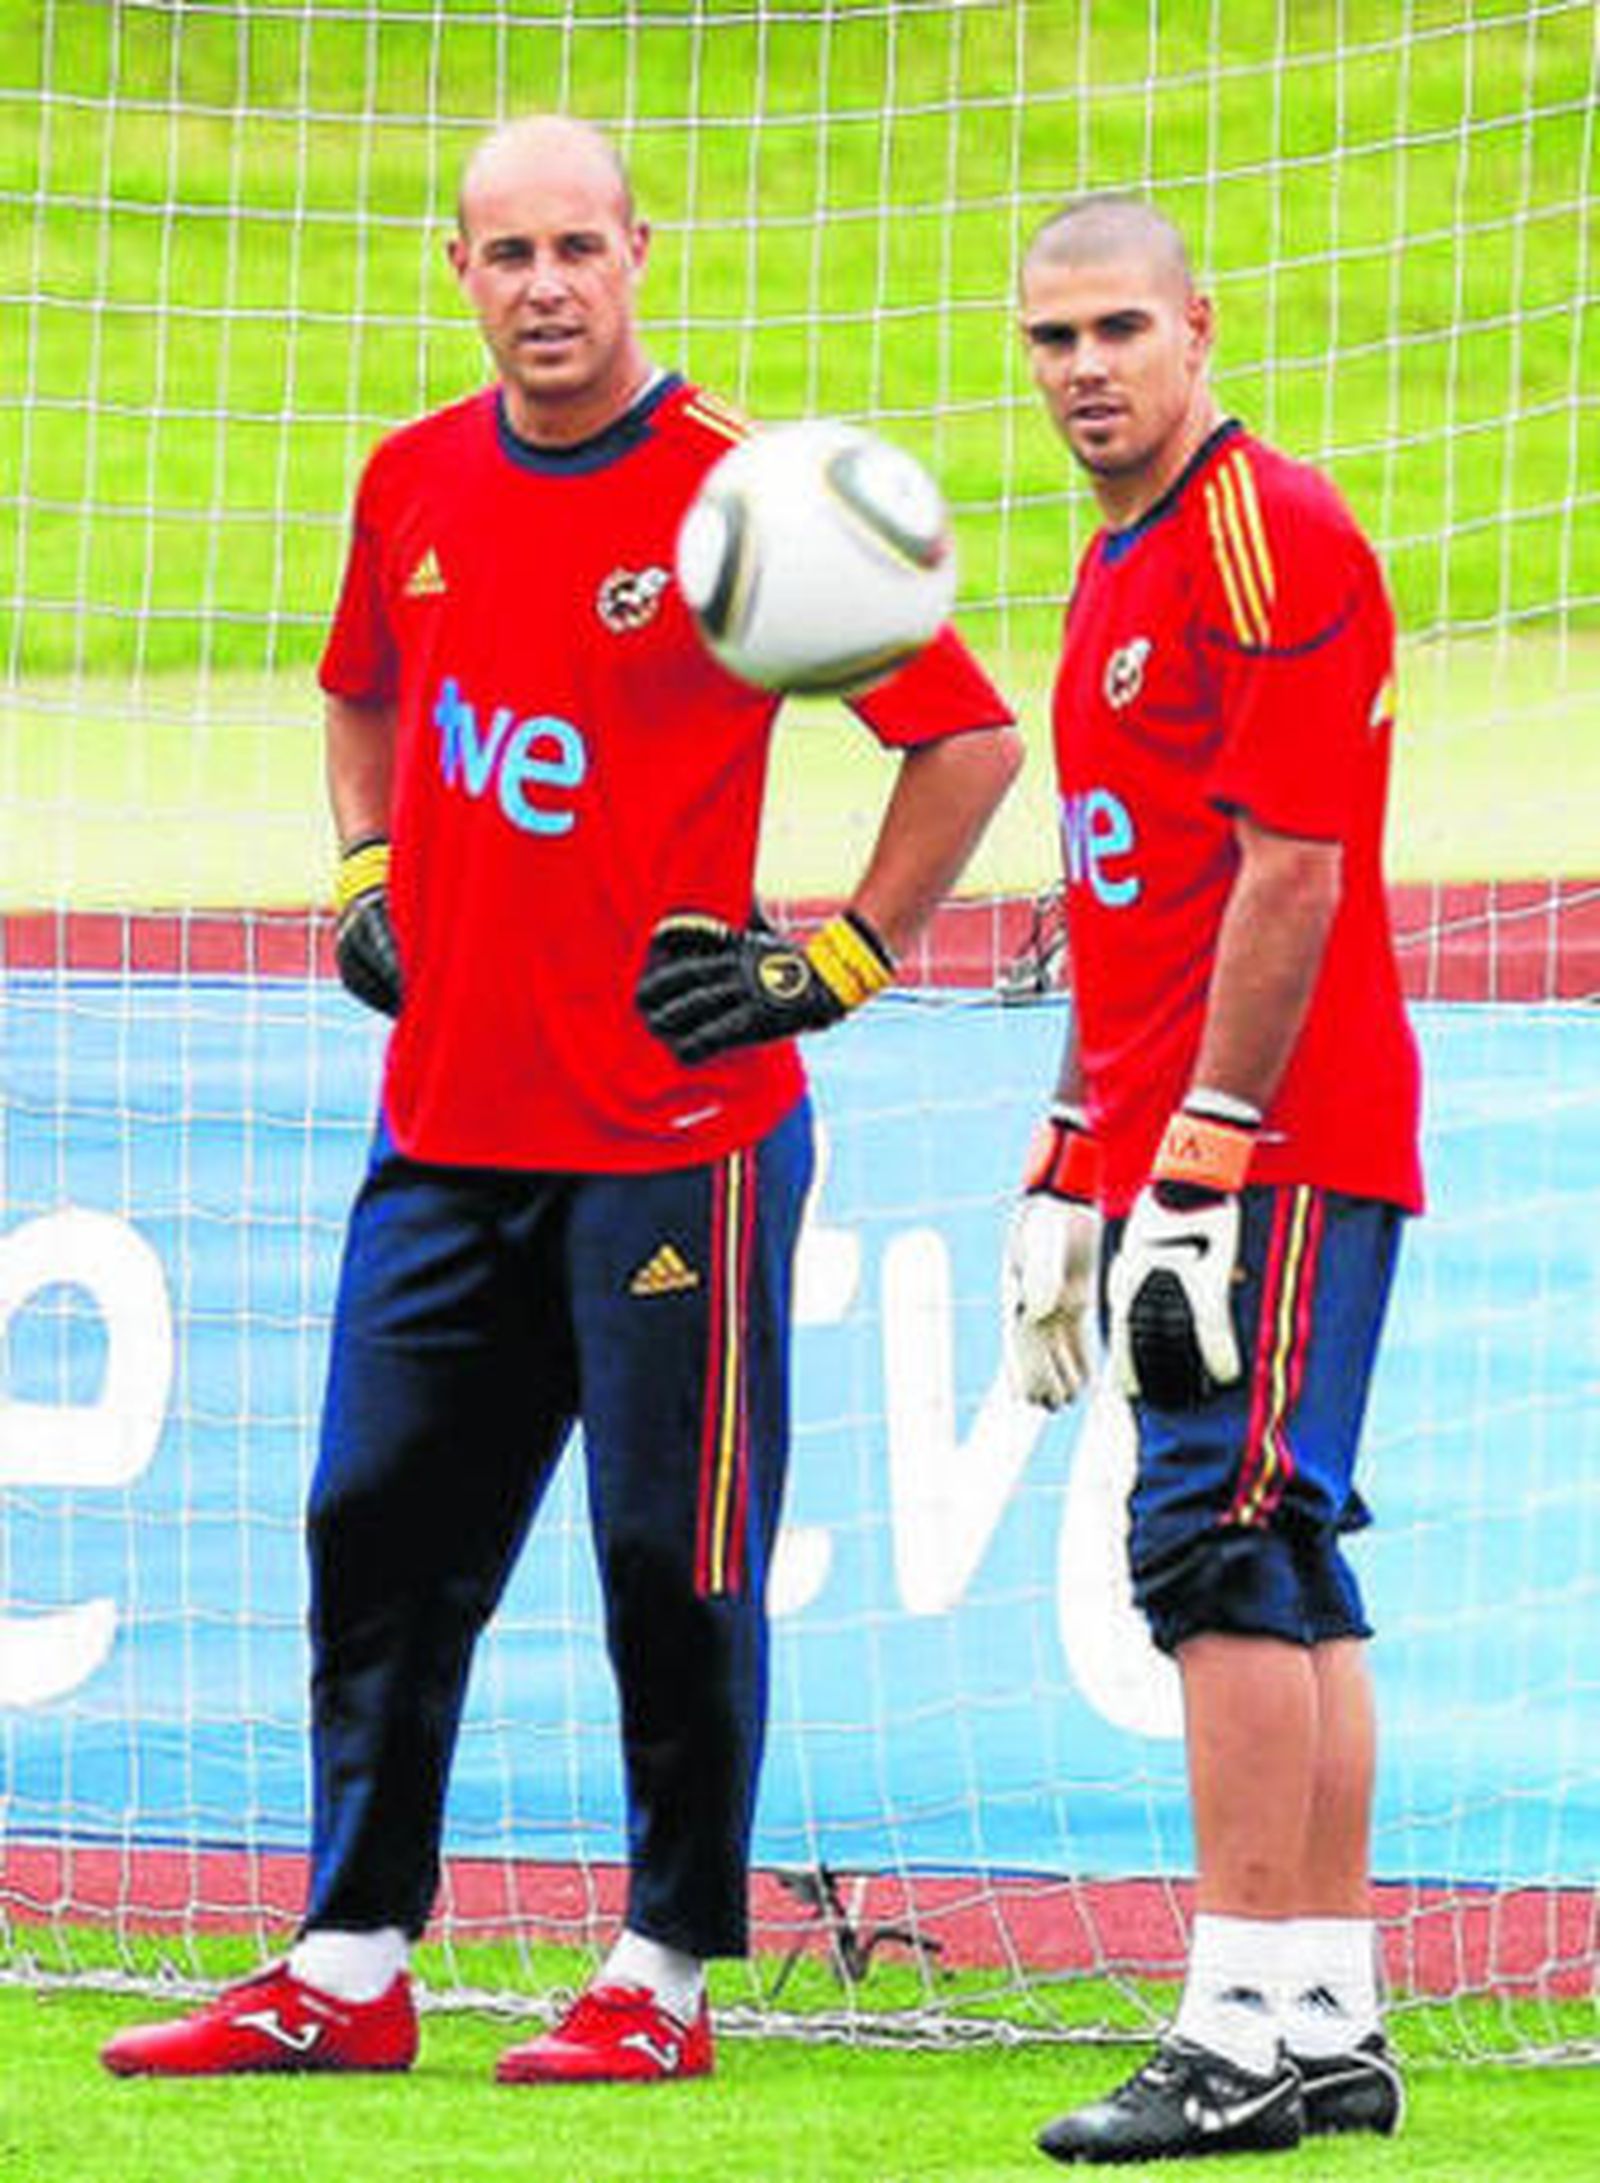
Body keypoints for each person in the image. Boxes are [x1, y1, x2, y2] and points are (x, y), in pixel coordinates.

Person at [101, 114, 1021, 2086]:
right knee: (371, 1529)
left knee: (662, 1566)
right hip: (442, 1128)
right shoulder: (411, 478)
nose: (543, 287)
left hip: (671, 1145)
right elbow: (358, 687)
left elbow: (959, 740)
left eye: (576, 249)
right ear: (458, 271)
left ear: (636, 255)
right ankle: (347, 1967)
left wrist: (838, 958)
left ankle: (663, 1975)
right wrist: (363, 870)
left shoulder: (746, 500)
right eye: (505, 254)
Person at [1001, 194, 1421, 2164]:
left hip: (1274, 1140)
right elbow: (1130, 892)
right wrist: (1064, 1154)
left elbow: (1291, 867)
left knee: (1209, 1550)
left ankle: (1237, 2023)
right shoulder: (1115, 561)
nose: (1083, 369)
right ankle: (1323, 2016)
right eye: (1049, 340)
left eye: (1113, 329)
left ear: (1196, 327)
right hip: (1195, 1138)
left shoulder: (1262, 530)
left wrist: (1200, 1144)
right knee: (1283, 1558)